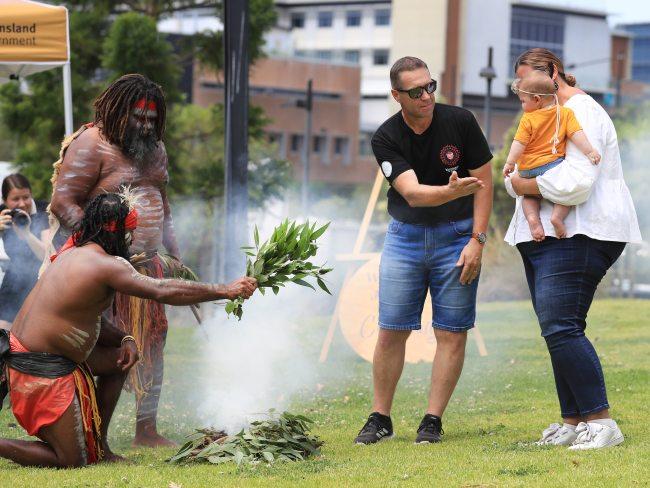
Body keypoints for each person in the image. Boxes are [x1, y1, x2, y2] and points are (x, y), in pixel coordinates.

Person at [0, 192, 257, 467]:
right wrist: (224, 289)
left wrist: (125, 337)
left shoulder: (76, 253)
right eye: (129, 232)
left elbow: (87, 317)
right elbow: (162, 290)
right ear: (115, 231)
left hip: (44, 358)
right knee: (72, 460)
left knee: (119, 362)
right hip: (36, 368)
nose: (132, 240)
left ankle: (101, 445)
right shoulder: (103, 265)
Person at [504, 48, 642, 449]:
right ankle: (574, 421)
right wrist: (520, 183)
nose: (529, 93)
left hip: (580, 232)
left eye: (533, 82)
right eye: (523, 87)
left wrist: (523, 184)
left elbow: (577, 183)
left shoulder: (583, 111)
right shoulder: (541, 118)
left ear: (555, 74)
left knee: (561, 326)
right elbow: (512, 174)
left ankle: (601, 422)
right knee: (559, 329)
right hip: (542, 236)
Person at [355, 56, 493, 445]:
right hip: (406, 237)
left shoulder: (461, 121)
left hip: (459, 236)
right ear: (397, 95)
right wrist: (450, 191)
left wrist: (477, 241)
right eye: (416, 91)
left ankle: (432, 420)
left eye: (430, 86)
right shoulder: (385, 136)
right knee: (391, 329)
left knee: (452, 331)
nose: (427, 96)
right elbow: (413, 195)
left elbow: (485, 182)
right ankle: (380, 417)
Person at [48, 74, 184, 447]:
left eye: (152, 119)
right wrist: (102, 252)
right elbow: (63, 203)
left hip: (145, 267)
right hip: (100, 271)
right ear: (119, 111)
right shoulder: (92, 144)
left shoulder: (155, 149)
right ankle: (88, 431)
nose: (145, 125)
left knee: (153, 341)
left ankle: (146, 430)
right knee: (107, 347)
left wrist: (174, 251)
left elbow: (163, 204)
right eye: (138, 116)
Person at [503, 71, 601, 240]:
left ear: (536, 99)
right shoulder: (564, 113)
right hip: (552, 166)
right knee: (565, 194)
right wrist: (590, 151)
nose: (522, 105)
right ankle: (557, 218)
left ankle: (534, 221)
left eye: (523, 101)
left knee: (529, 196)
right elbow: (577, 134)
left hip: (528, 169)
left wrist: (510, 163)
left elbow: (518, 143)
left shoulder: (528, 119)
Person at [0, 174, 49, 329]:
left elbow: (46, 256)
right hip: (14, 279)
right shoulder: (2, 214)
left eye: (26, 197)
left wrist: (27, 234)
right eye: (15, 199)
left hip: (41, 280)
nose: (22, 204)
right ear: (5, 201)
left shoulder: (44, 211)